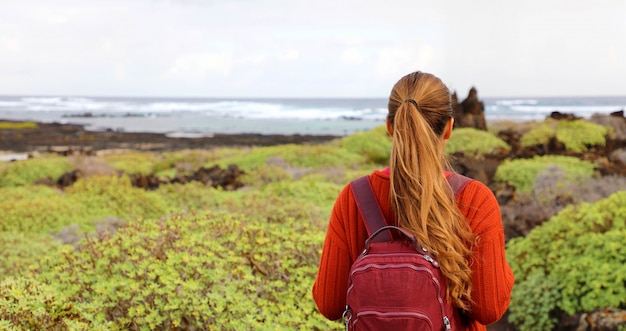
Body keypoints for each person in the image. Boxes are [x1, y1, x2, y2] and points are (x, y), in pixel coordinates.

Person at [312, 71, 514, 331]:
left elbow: (330, 304)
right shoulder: (475, 198)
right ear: (449, 127)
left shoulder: (353, 197)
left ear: (389, 126)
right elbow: (489, 308)